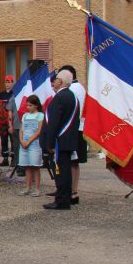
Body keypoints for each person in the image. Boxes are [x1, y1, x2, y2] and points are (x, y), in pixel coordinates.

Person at [41, 69, 79, 211]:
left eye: (56, 79)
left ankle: (62, 200)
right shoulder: (72, 96)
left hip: (59, 141)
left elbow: (54, 123)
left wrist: (49, 143)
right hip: (68, 140)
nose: (54, 81)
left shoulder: (60, 97)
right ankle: (65, 197)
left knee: (61, 172)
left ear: (60, 81)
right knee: (65, 171)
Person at [59, 64, 86, 204]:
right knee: (74, 162)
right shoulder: (80, 87)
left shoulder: (72, 89)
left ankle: (71, 191)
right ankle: (73, 191)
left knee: (70, 162)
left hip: (73, 129)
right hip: (79, 128)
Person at [17, 95, 44, 196]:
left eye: (30, 105)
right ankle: (27, 187)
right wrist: (21, 140)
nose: (28, 107)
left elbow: (39, 131)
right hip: (24, 143)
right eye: (27, 105)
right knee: (27, 166)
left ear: (36, 105)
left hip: (34, 143)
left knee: (35, 166)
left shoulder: (40, 115)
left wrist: (29, 141)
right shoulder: (25, 116)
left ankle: (37, 188)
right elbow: (21, 129)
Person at [0, 75, 14, 166]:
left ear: (12, 83)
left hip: (12, 120)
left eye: (9, 82)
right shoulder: (1, 94)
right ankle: (5, 158)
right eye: (6, 82)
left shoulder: (14, 93)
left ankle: (14, 159)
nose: (7, 84)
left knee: (13, 139)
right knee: (4, 140)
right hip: (3, 121)